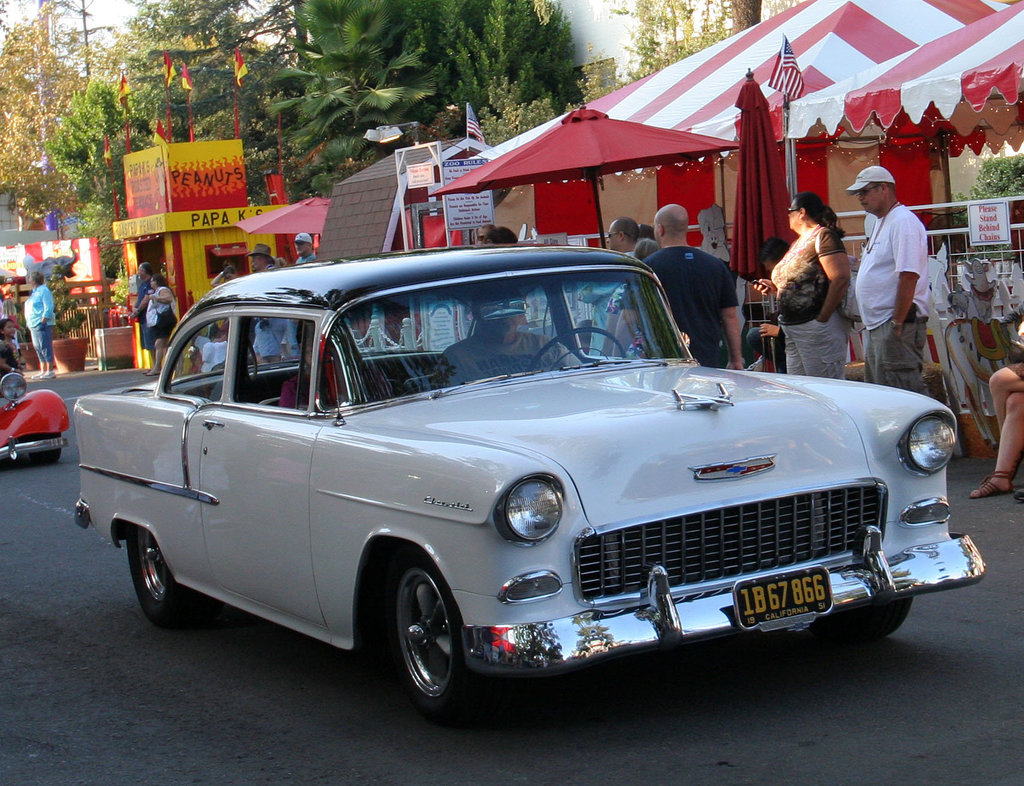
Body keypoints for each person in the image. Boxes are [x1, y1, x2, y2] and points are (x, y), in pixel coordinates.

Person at [848, 165, 930, 394]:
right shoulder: (885, 221)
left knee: (901, 393)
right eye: (858, 193)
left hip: (892, 323)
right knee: (885, 394)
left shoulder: (902, 221)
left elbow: (909, 275)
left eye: (864, 191)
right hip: (882, 324)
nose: (860, 198)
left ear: (883, 188)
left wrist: (898, 322)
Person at [752, 192, 851, 379]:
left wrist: (822, 318)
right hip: (795, 328)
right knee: (803, 387)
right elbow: (804, 284)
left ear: (801, 212)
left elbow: (840, 278)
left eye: (790, 211)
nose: (788, 216)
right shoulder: (799, 242)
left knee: (823, 387)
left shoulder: (824, 237)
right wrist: (777, 288)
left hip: (814, 326)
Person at [645, 204, 743, 369]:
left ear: (660, 229)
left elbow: (630, 315)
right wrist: (736, 359)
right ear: (686, 229)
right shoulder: (716, 266)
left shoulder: (648, 268)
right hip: (707, 356)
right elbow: (729, 316)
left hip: (662, 359)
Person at [441, 289, 575, 384]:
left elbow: (577, 373)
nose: (503, 317)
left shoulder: (545, 345)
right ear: (477, 314)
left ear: (521, 314)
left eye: (512, 308)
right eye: (493, 309)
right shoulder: (456, 357)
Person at [746, 238, 789, 373]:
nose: (772, 275)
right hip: (791, 340)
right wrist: (776, 291)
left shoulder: (800, 282)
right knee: (754, 334)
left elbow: (804, 325)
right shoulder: (793, 284)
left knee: (753, 335)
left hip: (800, 343)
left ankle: (784, 367)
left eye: (772, 269)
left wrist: (780, 332)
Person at [24, 271, 56, 379]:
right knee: (38, 347)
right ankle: (43, 370)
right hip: (33, 323)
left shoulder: (44, 290)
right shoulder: (35, 292)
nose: (29, 280)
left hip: (41, 322)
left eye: (30, 278)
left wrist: (44, 319)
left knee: (45, 346)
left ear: (33, 280)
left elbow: (49, 306)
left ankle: (50, 370)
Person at [145, 273, 177, 376]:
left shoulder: (162, 289)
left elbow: (168, 299)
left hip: (165, 320)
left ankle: (158, 367)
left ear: (157, 282)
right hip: (162, 321)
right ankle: (167, 366)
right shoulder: (158, 291)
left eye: (152, 280)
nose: (151, 282)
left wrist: (155, 298)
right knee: (164, 344)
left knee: (159, 344)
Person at [133, 262, 155, 359]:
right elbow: (139, 299)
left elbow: (146, 300)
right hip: (142, 317)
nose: (138, 272)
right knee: (147, 342)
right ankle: (153, 366)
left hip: (148, 317)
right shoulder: (142, 285)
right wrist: (134, 307)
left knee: (152, 342)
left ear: (145, 271)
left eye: (140, 270)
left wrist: (137, 310)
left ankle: (156, 366)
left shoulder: (150, 283)